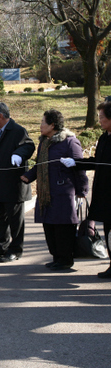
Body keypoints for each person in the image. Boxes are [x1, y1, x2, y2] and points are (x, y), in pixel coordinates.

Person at [21, 110, 88, 270]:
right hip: (46, 194)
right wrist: (28, 176)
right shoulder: (44, 143)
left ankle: (65, 259)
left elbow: (79, 168)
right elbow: (39, 165)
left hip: (64, 193)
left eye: (43, 122)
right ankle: (56, 257)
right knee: (49, 226)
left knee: (62, 228)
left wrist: (82, 190)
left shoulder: (70, 142)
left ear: (52, 125)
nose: (41, 125)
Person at [0, 102, 35, 262]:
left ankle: (15, 250)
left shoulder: (18, 130)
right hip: (0, 184)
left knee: (15, 221)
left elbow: (29, 146)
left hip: (14, 185)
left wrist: (19, 154)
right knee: (0, 219)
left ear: (0, 116)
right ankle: (1, 247)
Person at [61, 101, 111, 277]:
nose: (100, 121)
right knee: (108, 230)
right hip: (104, 192)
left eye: (102, 118)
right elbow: (97, 161)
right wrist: (76, 163)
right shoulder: (105, 137)